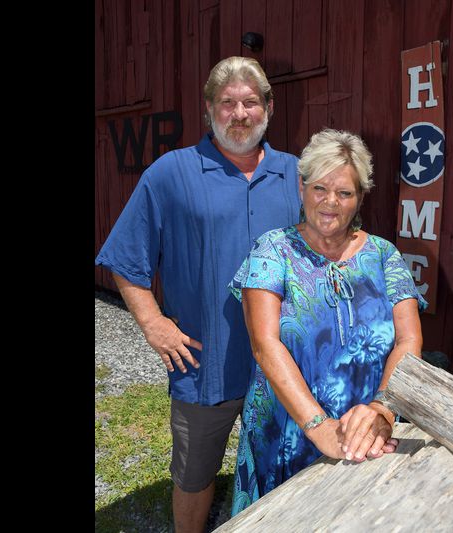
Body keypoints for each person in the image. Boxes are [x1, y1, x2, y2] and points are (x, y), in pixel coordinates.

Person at [95, 56, 301, 533]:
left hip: (285, 365)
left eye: (250, 102)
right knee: (194, 476)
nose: (239, 114)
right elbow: (126, 259)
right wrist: (153, 323)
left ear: (269, 107)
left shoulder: (296, 174)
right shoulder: (171, 174)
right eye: (227, 103)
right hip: (205, 365)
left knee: (285, 468)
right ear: (209, 109)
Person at [227, 128, 428, 515]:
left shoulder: (384, 255)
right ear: (301, 187)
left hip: (366, 431)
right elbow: (265, 344)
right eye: (319, 188)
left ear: (360, 197)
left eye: (344, 193)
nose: (330, 202)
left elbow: (408, 341)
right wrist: (319, 427)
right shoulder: (273, 251)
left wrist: (383, 410)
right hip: (286, 430)